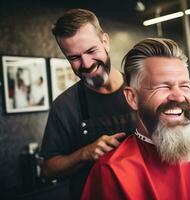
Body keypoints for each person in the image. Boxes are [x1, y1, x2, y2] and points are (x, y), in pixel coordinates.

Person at [81, 38, 190, 200]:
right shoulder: (111, 172)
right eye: (163, 87)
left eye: (184, 86)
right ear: (132, 98)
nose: (178, 96)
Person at [40, 9, 135, 200]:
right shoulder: (65, 106)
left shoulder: (141, 90)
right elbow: (48, 169)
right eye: (74, 58)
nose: (86, 64)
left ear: (105, 41)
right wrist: (85, 153)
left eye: (91, 51)